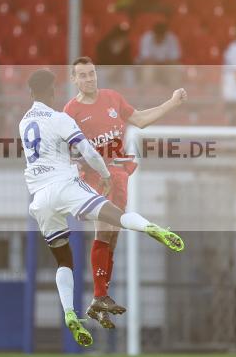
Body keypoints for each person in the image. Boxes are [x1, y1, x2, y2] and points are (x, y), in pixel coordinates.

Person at [20, 69, 184, 347]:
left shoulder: (23, 123)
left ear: (30, 93)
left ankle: (70, 312)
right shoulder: (61, 118)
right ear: (53, 91)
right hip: (66, 186)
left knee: (64, 261)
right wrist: (105, 176)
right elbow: (89, 152)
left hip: (39, 197)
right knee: (114, 217)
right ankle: (151, 228)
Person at [64, 57, 188, 328]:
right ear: (74, 80)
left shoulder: (112, 98)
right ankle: (99, 295)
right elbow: (65, 148)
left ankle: (101, 298)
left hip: (119, 173)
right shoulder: (71, 111)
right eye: (82, 75)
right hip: (96, 177)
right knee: (103, 229)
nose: (89, 79)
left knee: (111, 236)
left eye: (92, 73)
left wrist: (171, 103)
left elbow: (140, 120)